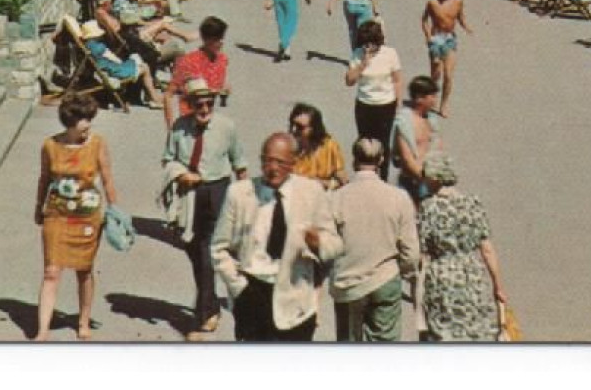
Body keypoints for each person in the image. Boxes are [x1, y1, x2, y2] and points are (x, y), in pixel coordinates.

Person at [210, 132, 343, 341]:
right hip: (252, 294)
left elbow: (335, 245)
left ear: (294, 163)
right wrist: (239, 288)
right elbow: (218, 248)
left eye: (280, 162)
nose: (272, 168)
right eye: (267, 161)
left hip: (296, 298)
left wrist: (318, 243)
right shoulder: (239, 194)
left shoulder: (311, 193)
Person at [162, 77, 249, 340]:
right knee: (193, 248)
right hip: (190, 196)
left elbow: (240, 164)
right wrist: (180, 175)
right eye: (199, 104)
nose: (204, 109)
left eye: (209, 103)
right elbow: (168, 160)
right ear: (189, 105)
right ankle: (210, 303)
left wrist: (248, 201)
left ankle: (205, 314)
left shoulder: (226, 127)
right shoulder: (178, 128)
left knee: (207, 252)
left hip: (218, 190)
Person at [32, 93, 116, 341]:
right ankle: (42, 330)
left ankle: (83, 321)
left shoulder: (97, 144)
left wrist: (116, 211)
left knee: (84, 269)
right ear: (70, 121)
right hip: (56, 213)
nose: (88, 124)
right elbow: (44, 178)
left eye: (90, 118)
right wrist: (38, 206)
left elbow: (108, 179)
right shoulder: (50, 146)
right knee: (51, 271)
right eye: (84, 119)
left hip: (87, 216)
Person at [329, 137, 420, 342]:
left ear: (354, 161)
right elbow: (411, 252)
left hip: (348, 284)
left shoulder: (336, 198)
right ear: (381, 161)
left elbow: (327, 246)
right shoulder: (398, 198)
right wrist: (406, 272)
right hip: (384, 278)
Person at [417, 152, 507, 341]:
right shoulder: (472, 204)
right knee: (475, 331)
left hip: (442, 277)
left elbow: (423, 255)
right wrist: (498, 285)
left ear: (434, 177)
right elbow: (487, 249)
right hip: (472, 275)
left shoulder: (428, 208)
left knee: (445, 335)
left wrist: (418, 292)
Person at [345, 21, 403, 180]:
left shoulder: (390, 54)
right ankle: (364, 178)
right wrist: (363, 63)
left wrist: (398, 104)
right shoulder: (357, 54)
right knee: (364, 145)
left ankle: (382, 178)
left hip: (385, 105)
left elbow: (397, 80)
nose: (368, 47)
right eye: (365, 44)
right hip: (365, 105)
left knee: (383, 144)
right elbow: (349, 81)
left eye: (372, 43)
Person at [420, 0, 473, 118]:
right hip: (436, 39)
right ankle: (430, 100)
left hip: (450, 39)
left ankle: (443, 105)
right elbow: (424, 20)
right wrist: (428, 36)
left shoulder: (458, 2)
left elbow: (460, 17)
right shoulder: (432, 3)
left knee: (449, 76)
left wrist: (466, 27)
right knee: (436, 74)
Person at [165, 17, 231, 125]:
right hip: (189, 122)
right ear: (207, 40)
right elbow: (168, 95)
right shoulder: (187, 62)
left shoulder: (222, 60)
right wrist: (171, 128)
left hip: (210, 119)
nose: (221, 43)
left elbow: (219, 89)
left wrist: (225, 92)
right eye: (218, 39)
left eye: (222, 38)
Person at [392, 75, 443, 204]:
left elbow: (439, 148)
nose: (435, 100)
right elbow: (407, 159)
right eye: (432, 96)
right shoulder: (405, 123)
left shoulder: (432, 121)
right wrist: (426, 180)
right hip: (411, 182)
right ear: (420, 98)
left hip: (431, 181)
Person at [289, 103, 348, 190]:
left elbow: (343, 181)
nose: (293, 130)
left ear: (314, 128)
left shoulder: (330, 145)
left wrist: (320, 184)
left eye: (299, 127)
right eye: (292, 124)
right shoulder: (287, 147)